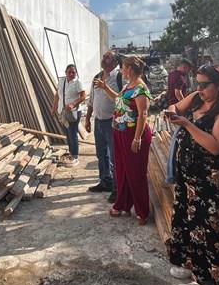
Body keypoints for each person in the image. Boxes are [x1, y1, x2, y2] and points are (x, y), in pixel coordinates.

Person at [166, 63, 219, 285]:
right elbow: (175, 105)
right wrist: (171, 111)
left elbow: (216, 146)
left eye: (204, 84)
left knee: (213, 229)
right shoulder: (198, 98)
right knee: (187, 222)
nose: (199, 89)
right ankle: (190, 265)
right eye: (196, 83)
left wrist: (187, 124)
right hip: (188, 177)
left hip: (210, 181)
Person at [95, 56, 152, 225]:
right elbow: (118, 100)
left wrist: (137, 139)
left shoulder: (141, 89)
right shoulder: (128, 86)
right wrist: (105, 88)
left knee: (136, 174)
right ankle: (123, 205)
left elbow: (143, 115)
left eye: (123, 68)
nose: (121, 71)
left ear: (130, 69)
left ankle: (142, 211)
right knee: (121, 172)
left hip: (133, 136)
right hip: (120, 134)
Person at [85, 51, 122, 202]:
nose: (103, 59)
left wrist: (106, 87)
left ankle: (117, 188)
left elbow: (122, 99)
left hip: (112, 122)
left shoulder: (120, 77)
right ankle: (105, 181)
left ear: (114, 61)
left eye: (107, 57)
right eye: (103, 56)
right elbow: (91, 101)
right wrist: (87, 119)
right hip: (98, 121)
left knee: (115, 156)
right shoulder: (97, 77)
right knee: (101, 154)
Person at [53, 64, 86, 167]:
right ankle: (71, 153)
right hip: (63, 112)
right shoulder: (62, 81)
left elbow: (83, 96)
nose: (72, 74)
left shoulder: (77, 82)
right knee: (68, 133)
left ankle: (75, 156)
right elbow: (57, 95)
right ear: (65, 73)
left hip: (74, 112)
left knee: (72, 133)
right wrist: (53, 108)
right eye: (69, 72)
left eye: (74, 72)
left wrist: (73, 104)